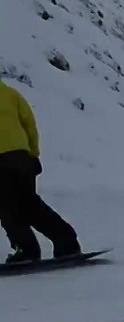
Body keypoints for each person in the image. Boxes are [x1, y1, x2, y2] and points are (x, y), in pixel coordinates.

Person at [0, 80, 80, 264]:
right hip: (22, 159)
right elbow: (29, 124)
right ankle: (66, 242)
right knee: (29, 205)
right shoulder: (11, 94)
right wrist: (33, 153)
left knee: (8, 209)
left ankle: (27, 250)